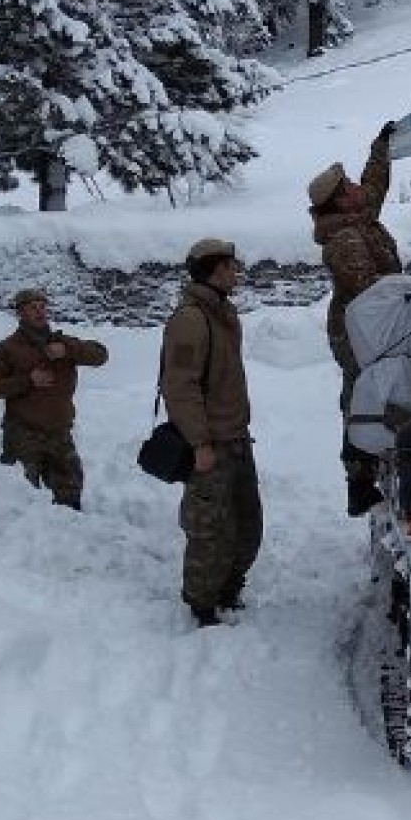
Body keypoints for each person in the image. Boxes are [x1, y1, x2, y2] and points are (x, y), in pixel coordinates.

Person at [161, 239, 263, 628]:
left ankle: (228, 589)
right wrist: (199, 442)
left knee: (247, 523)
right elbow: (180, 386)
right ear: (215, 269)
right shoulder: (191, 319)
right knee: (208, 527)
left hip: (236, 438)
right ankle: (202, 604)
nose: (237, 273)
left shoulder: (222, 312)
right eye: (232, 266)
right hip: (211, 443)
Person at [311, 123, 402, 516]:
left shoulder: (356, 218)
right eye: (347, 185)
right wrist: (409, 288)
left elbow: (374, 186)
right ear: (339, 201)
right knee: (361, 396)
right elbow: (369, 288)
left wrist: (380, 147)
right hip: (357, 333)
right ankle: (359, 479)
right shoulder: (344, 239)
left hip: (376, 326)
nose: (354, 187)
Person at [0, 287, 109, 510]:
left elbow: (101, 355)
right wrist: (28, 380)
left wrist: (67, 350)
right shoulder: (8, 348)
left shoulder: (61, 343)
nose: (39, 312)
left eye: (42, 307)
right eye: (32, 308)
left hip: (59, 432)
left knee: (70, 495)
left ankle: (69, 538)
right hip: (23, 434)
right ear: (20, 313)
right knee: (20, 498)